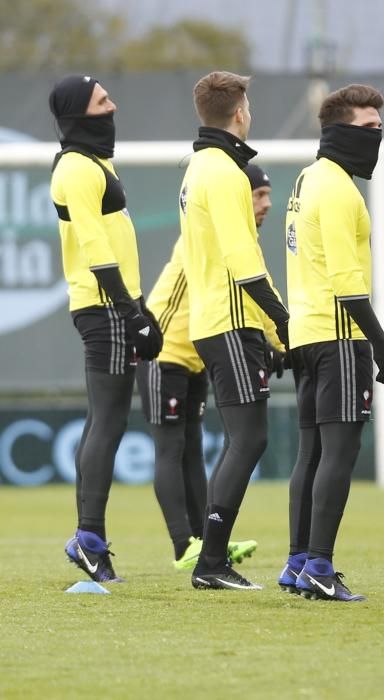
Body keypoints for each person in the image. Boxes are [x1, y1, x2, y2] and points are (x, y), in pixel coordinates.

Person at [278, 84, 384, 602]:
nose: (377, 136)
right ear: (341, 130)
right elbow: (349, 283)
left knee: (311, 453)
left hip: (306, 334)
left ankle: (299, 561)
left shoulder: (307, 179)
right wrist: (381, 345)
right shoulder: (340, 189)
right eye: (369, 128)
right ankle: (321, 566)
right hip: (340, 335)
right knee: (339, 454)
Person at [136, 164, 283, 571]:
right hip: (163, 356)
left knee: (194, 450)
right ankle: (184, 545)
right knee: (170, 450)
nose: (266, 204)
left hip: (196, 358)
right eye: (259, 195)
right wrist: (148, 343)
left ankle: (205, 539)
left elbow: (255, 295)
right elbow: (165, 301)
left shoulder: (234, 244)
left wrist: (278, 343)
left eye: (268, 195)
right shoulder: (199, 243)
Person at [49, 74, 163, 583]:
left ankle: (88, 538)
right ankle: (90, 538)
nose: (112, 105)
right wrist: (129, 311)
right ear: (79, 113)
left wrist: (140, 304)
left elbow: (114, 240)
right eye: (101, 101)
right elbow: (95, 247)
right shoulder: (75, 167)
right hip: (103, 307)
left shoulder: (94, 161)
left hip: (113, 304)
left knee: (105, 420)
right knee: (109, 421)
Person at [180, 71, 289, 590]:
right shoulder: (224, 171)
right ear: (240, 112)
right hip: (228, 321)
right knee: (247, 440)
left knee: (244, 439)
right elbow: (245, 261)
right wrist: (283, 322)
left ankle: (211, 557)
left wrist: (270, 330)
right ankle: (211, 563)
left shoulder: (199, 166)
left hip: (216, 319)